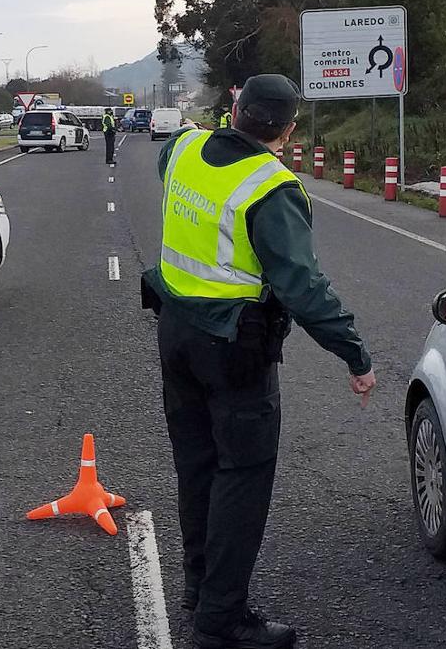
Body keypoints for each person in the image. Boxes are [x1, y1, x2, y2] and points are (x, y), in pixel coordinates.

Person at [142, 74, 375, 649]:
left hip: (177, 334)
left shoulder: (186, 148)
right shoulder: (272, 188)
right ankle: (221, 619)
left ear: (235, 108)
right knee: (240, 478)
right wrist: (354, 355)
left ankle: (200, 591)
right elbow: (303, 287)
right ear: (288, 131)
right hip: (233, 351)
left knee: (196, 468)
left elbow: (168, 163)